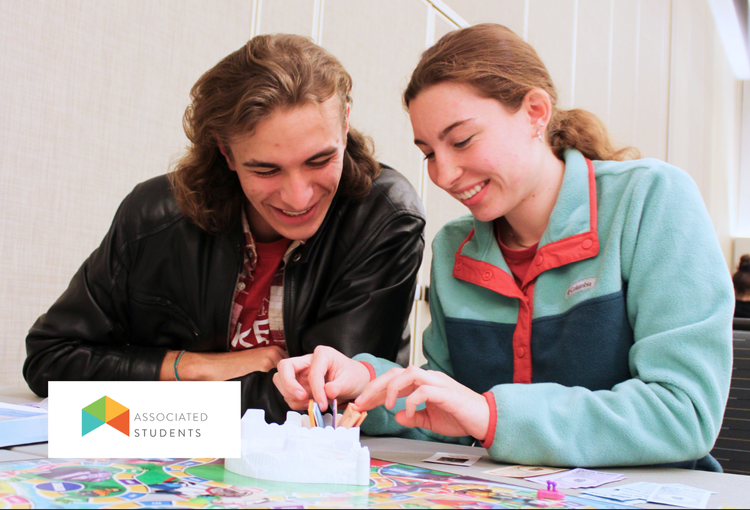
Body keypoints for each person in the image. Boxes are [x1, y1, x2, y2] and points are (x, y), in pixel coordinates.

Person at [274, 24, 734, 470]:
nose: (443, 174)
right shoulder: (456, 244)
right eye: (429, 152)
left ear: (536, 112)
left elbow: (685, 411)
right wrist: (360, 381)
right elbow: (448, 410)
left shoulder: (651, 200)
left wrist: (495, 417)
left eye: (462, 140)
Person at [23, 34, 426, 424]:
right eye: (266, 169)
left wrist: (140, 402)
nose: (298, 197)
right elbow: (50, 362)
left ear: (345, 127)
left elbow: (321, 402)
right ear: (226, 152)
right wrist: (198, 367)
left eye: (319, 160)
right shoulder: (153, 215)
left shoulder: (384, 216)